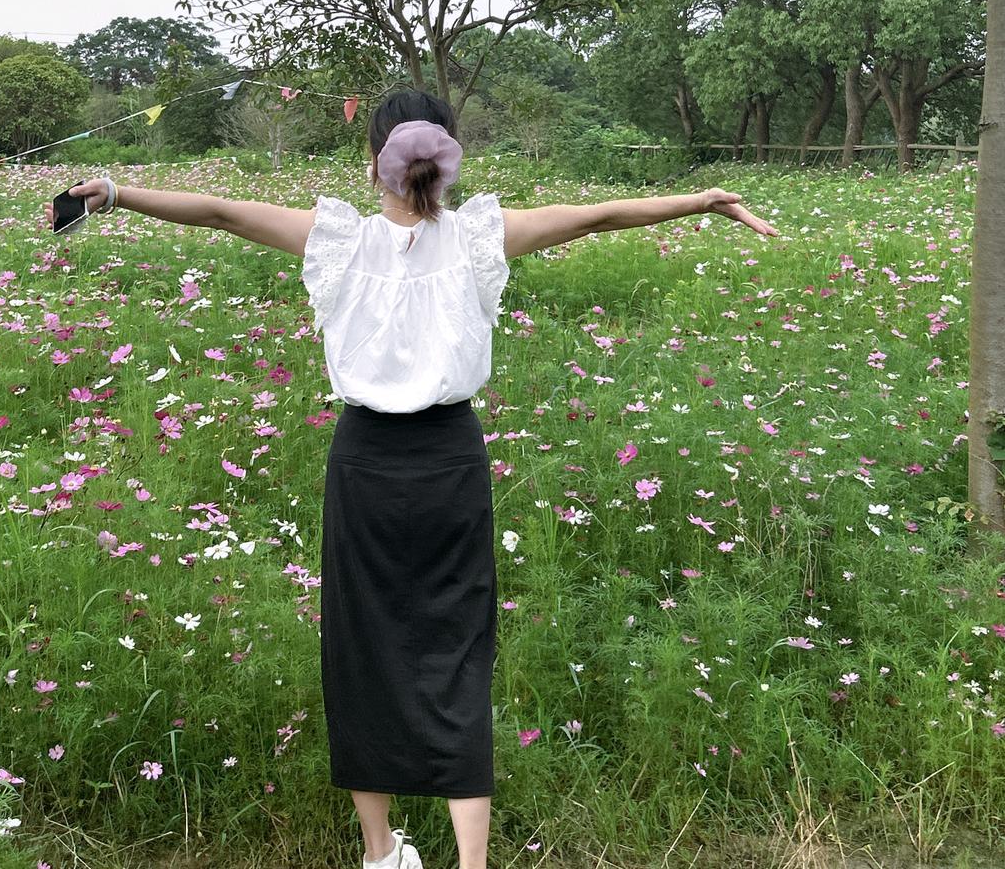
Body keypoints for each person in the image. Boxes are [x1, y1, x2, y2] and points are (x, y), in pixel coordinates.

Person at [44, 88, 778, 869]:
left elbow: (221, 211)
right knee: (458, 651)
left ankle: (381, 851)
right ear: (449, 161)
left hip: (364, 466)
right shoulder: (480, 239)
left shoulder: (338, 241)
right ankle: (471, 863)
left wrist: (118, 194)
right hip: (450, 464)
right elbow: (596, 214)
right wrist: (703, 198)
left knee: (366, 654)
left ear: (374, 165)